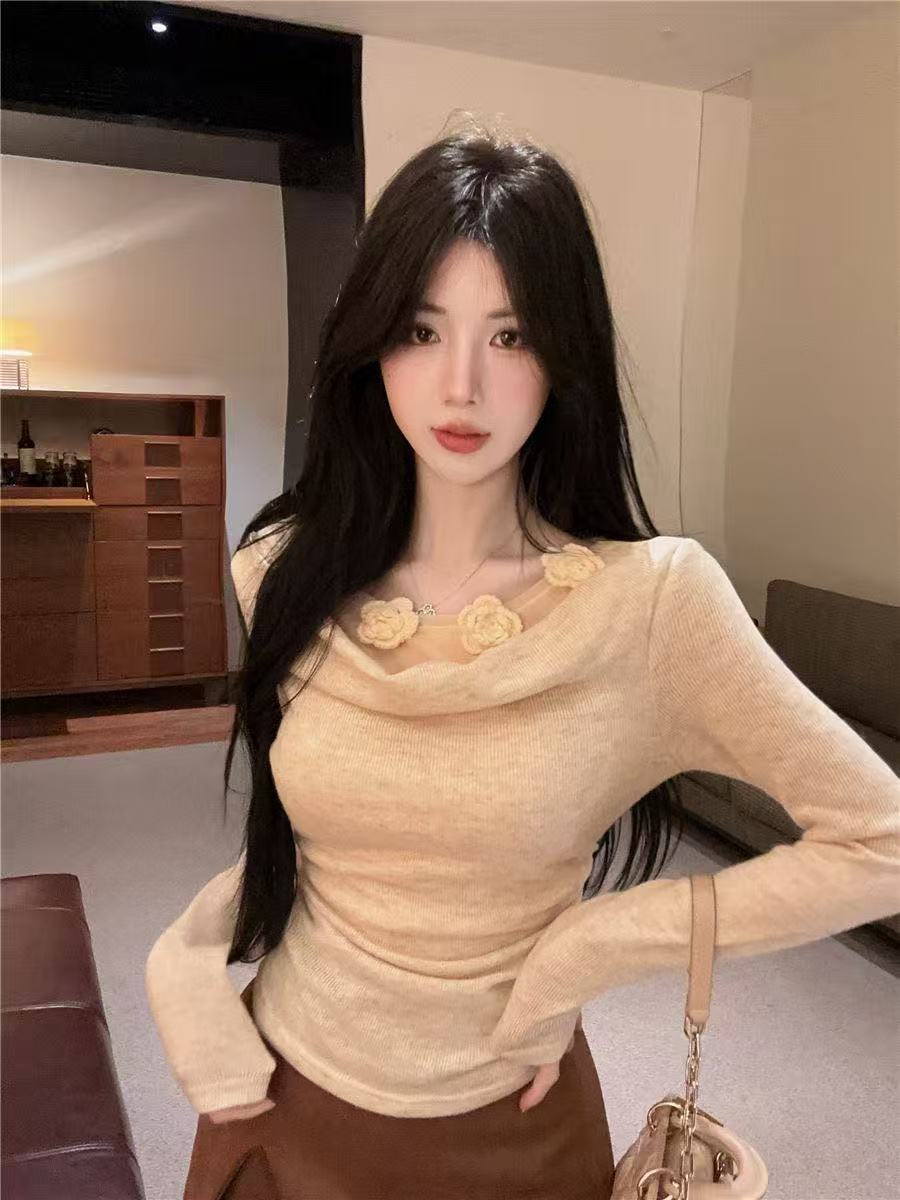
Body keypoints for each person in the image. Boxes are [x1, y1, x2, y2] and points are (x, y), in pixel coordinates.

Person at [145, 114, 900, 1200]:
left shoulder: (652, 604)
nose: (461, 385)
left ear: (564, 354)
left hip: (509, 1130)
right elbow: (312, 846)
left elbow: (880, 840)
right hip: (279, 1102)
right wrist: (181, 958)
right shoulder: (281, 568)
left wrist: (592, 947)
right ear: (371, 342)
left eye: (509, 336)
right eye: (422, 328)